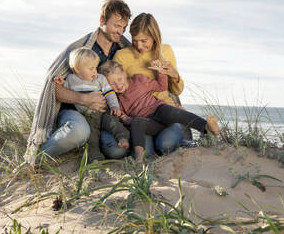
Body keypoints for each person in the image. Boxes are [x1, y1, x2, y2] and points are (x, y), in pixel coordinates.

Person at [24, 0, 132, 165]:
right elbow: (52, 88)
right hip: (74, 111)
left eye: (123, 28)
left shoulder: (122, 50)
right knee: (80, 131)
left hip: (102, 116)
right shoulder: (81, 50)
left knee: (117, 150)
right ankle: (36, 160)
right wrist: (84, 100)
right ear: (102, 20)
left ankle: (91, 149)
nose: (120, 32)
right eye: (116, 26)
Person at [99, 60, 219, 162]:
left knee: (171, 111)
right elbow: (128, 121)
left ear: (124, 74)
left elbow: (161, 86)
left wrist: (160, 72)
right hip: (150, 124)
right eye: (112, 84)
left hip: (159, 111)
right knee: (137, 122)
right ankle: (139, 160)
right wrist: (125, 118)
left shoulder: (138, 79)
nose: (118, 85)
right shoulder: (116, 100)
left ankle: (206, 127)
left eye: (120, 79)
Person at [112, 13, 188, 156]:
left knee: (165, 145)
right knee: (145, 153)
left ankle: (179, 134)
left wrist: (174, 75)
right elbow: (117, 90)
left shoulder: (166, 51)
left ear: (154, 36)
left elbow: (177, 91)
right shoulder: (122, 56)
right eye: (135, 40)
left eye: (144, 40)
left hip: (164, 111)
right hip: (140, 118)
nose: (139, 45)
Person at [54, 48, 129, 163]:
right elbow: (64, 90)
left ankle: (122, 138)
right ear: (77, 69)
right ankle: (94, 158)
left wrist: (114, 106)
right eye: (91, 68)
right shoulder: (71, 79)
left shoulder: (100, 78)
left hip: (104, 111)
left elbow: (110, 93)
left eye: (95, 67)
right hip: (88, 116)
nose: (95, 71)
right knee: (92, 137)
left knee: (113, 123)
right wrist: (60, 83)